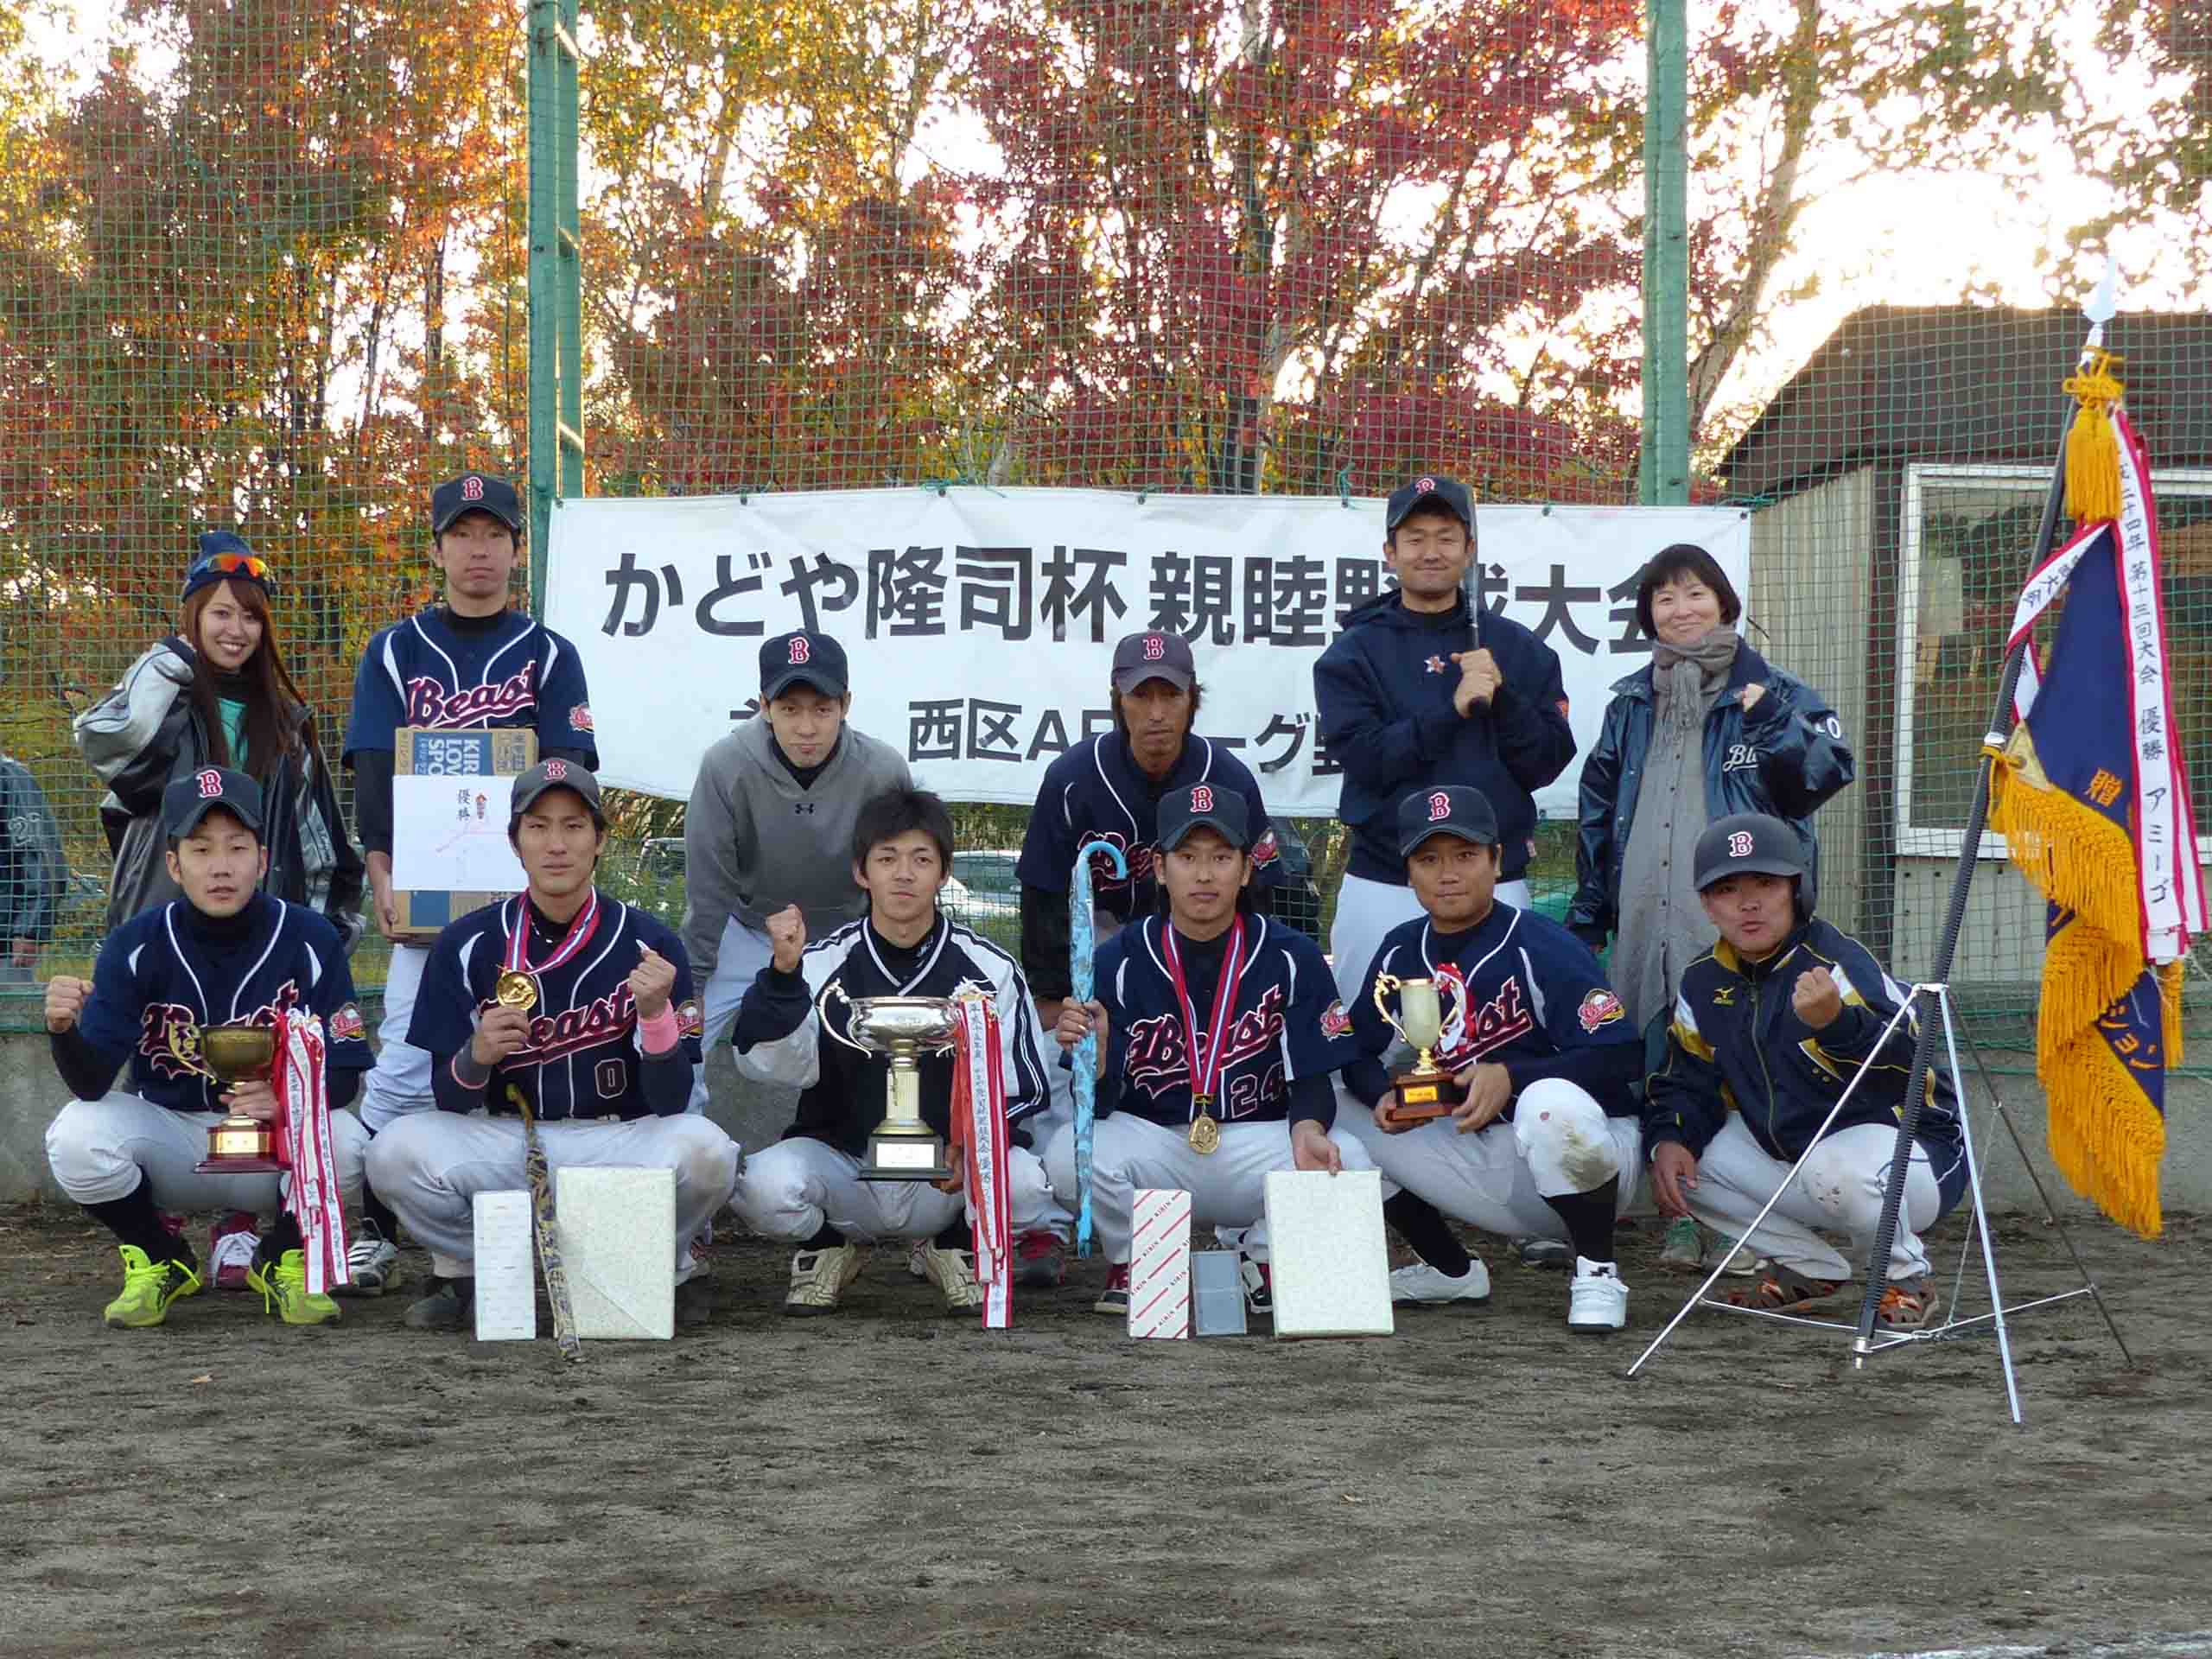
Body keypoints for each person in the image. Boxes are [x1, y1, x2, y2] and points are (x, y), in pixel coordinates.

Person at [365, 760, 739, 1332]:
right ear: (515, 842)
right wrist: (476, 1056)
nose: (556, 844)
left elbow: (671, 1101)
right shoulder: (466, 942)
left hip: (618, 1139)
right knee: (394, 1151)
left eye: (574, 826)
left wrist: (655, 1017)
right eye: (538, 827)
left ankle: (666, 1267)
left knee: (708, 1151)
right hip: (509, 1140)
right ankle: (468, 1268)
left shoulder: (652, 944)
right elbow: (448, 1098)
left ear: (600, 840)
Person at [341, 474, 598, 1295]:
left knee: (544, 1050)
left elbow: (567, 777)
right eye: (462, 533)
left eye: (494, 534)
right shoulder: (394, 650)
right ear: (438, 548)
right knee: (403, 1068)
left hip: (528, 905)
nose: (478, 549)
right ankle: (374, 1231)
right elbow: (374, 773)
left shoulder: (550, 654)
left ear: (517, 550)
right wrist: (382, 873)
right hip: (428, 895)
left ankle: (564, 1223)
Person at [1567, 543, 1853, 1270]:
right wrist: (1592, 907)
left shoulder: (1772, 690)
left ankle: (1734, 1217)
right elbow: (1598, 809)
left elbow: (1823, 776)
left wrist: (1771, 721)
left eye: (1695, 593)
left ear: (1724, 603)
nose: (1681, 609)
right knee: (1653, 1052)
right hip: (1645, 911)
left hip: (1736, 916)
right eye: (1664, 598)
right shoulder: (1632, 702)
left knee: (1737, 1057)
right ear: (1649, 616)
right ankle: (1668, 1210)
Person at [41, 768, 373, 1328]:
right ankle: (161, 1258)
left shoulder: (311, 938)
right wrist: (61, 1029)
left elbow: (344, 1075)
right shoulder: (136, 943)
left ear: (262, 860)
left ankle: (282, 1257)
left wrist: (287, 1100)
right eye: (201, 849)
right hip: (170, 1135)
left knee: (347, 1141)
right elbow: (91, 1083)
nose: (221, 866)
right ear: (175, 865)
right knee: (77, 1134)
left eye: (237, 848)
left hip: (274, 1144)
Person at [730, 787, 1069, 1315]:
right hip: (847, 1163)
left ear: (944, 871)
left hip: (947, 1175)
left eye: (921, 859)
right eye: (887, 859)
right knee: (760, 1187)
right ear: (861, 872)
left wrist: (972, 1144)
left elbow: (1023, 1085)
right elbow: (762, 1061)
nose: (904, 874)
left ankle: (951, 1243)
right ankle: (829, 1247)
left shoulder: (990, 969)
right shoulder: (820, 964)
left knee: (1024, 1186)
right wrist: (782, 976)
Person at [1014, 626, 1283, 1284]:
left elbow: (1261, 891)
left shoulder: (1228, 776)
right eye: (1142, 696)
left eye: (1171, 695)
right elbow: (1043, 894)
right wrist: (1053, 995)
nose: (1157, 712)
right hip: (1101, 931)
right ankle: (1046, 1225)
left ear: (1193, 699)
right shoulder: (1074, 776)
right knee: (1062, 1068)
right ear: (1119, 700)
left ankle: (1247, 1232)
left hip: (1202, 939)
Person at [1047, 784, 1370, 1319]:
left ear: (1245, 870)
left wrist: (1310, 1128)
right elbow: (1097, 1108)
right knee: (1068, 1155)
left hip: (1254, 1143)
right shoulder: (1116, 960)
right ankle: (1135, 1261)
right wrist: (1096, 1058)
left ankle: (1261, 1256)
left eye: (1221, 858)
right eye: (1187, 857)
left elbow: (1313, 1079)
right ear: (1159, 867)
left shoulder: (1293, 956)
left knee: (1350, 1158)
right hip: (1156, 1143)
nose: (1204, 875)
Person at [1336, 786, 1644, 1331]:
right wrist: (1378, 1094)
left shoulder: (1543, 945)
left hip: (1586, 1161)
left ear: (1497, 861)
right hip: (1484, 1157)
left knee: (1549, 1104)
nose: (1448, 874)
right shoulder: (1400, 950)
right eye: (1429, 860)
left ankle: (1596, 1271)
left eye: (1465, 855)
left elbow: (1621, 1056)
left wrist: (1513, 1077)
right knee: (1335, 1112)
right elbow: (1353, 1050)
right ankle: (1450, 1270)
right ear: (1409, 873)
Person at [1643, 813, 1964, 1328]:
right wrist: (1671, 1135)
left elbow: (1912, 1066)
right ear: (1706, 904)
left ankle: (1906, 1277)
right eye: (1727, 889)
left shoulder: (1836, 961)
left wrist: (1839, 1024)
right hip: (1802, 1160)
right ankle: (1805, 1268)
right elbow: (1685, 1080)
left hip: (1911, 1161)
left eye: (1765, 884)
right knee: (1681, 1164)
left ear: (1797, 890)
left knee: (1834, 1168)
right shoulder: (1702, 981)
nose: (1748, 903)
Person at [1313, 474, 1575, 1002]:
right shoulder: (1354, 652)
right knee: (1373, 1039)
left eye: (1446, 537)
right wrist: (1450, 711)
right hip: (1386, 882)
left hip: (1494, 884)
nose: (1431, 552)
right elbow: (1366, 759)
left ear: (1469, 549)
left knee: (1501, 1036)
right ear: (1390, 553)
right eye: (1415, 539)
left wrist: (1502, 697)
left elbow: (1547, 761)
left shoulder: (1515, 648)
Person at [75, 531, 364, 944]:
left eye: (251, 617)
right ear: (194, 616)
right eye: (221, 614)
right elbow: (107, 742)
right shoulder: (164, 705)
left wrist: (323, 940)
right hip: (160, 933)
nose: (237, 630)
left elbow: (322, 850)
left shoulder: (287, 726)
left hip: (261, 940)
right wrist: (167, 662)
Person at [682, 629, 911, 1122]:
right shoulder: (726, 765)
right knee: (680, 1038)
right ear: (765, 707)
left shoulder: (882, 770)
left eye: (822, 709)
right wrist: (694, 981)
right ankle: (682, 1149)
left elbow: (898, 874)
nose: (807, 727)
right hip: (749, 929)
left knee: (900, 1044)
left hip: (849, 933)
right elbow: (709, 883)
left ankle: (888, 1148)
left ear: (845, 705)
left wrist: (898, 957)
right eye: (790, 709)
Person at [0, 751, 65, 988]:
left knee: (11, 1009)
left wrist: (30, 928)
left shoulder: (9, 777)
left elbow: (40, 856)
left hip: (5, 944)